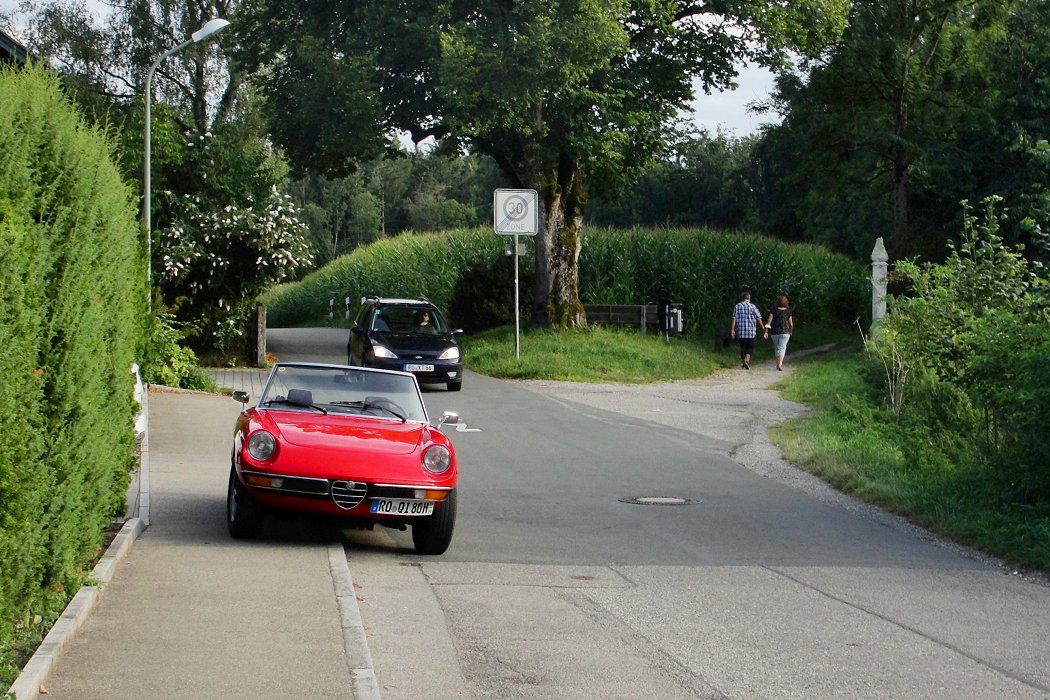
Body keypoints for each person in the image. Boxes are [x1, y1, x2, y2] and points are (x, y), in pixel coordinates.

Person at [730, 290, 766, 370]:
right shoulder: (753, 307)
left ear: (742, 298)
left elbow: (734, 318)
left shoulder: (737, 306)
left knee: (742, 347)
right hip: (751, 332)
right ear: (749, 298)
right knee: (750, 347)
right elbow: (759, 319)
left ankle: (743, 362)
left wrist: (732, 329)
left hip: (741, 332)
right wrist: (763, 329)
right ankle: (747, 361)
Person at [765, 294, 794, 371]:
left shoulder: (773, 310)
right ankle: (780, 364)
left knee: (777, 348)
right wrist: (791, 331)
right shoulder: (788, 311)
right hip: (785, 332)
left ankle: (778, 364)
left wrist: (766, 331)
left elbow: (769, 322)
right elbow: (791, 324)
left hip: (774, 332)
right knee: (782, 348)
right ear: (786, 302)